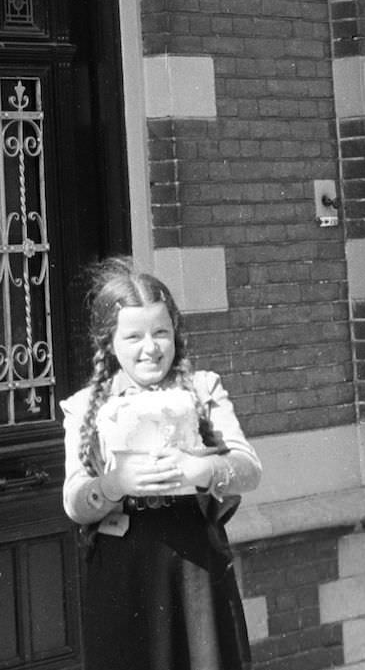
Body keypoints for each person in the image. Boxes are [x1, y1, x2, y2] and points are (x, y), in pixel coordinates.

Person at [60, 260, 261, 670]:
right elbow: (74, 502)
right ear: (110, 343)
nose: (150, 348)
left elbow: (249, 468)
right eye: (133, 336)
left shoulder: (203, 390)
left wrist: (202, 470)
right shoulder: (86, 407)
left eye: (161, 333)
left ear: (175, 335)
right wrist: (114, 483)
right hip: (123, 567)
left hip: (195, 564)